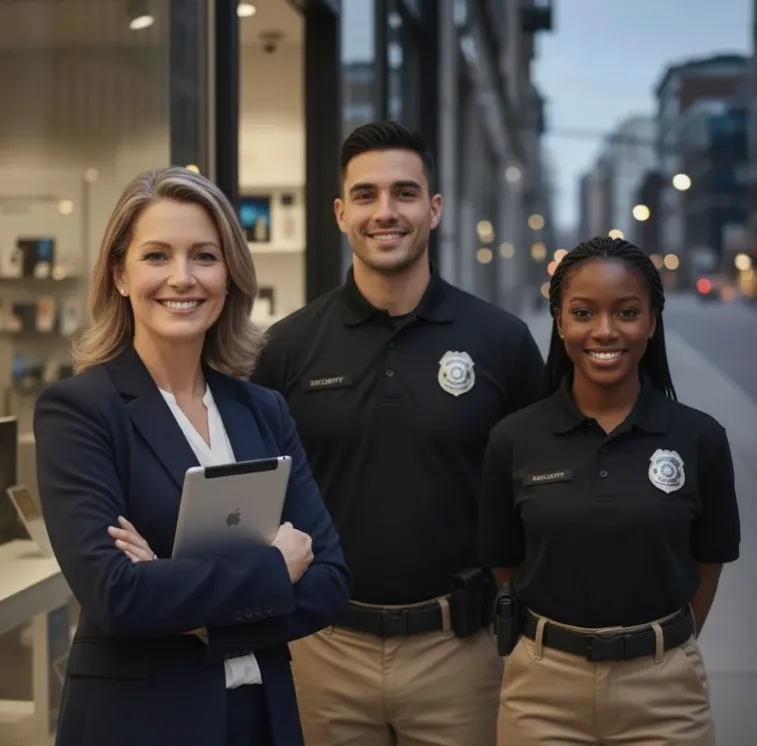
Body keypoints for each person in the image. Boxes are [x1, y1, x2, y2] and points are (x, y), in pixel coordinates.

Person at [250, 121, 545, 746]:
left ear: (434, 209)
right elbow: (258, 500)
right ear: (340, 213)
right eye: (365, 195)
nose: (385, 212)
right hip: (323, 650)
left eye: (405, 193)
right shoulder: (286, 349)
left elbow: (541, 494)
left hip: (461, 655)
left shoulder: (501, 342)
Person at [33, 167, 350, 746]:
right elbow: (116, 595)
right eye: (157, 256)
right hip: (139, 723)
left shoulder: (263, 410)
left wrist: (184, 600)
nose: (182, 278)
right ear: (119, 275)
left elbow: (328, 582)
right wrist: (273, 570)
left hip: (262, 720)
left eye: (204, 256)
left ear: (229, 275)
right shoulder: (80, 411)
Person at [478, 236, 741, 746]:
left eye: (626, 312)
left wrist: (659, 651)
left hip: (665, 693)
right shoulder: (514, 439)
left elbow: (708, 567)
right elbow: (505, 565)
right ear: (559, 321)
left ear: (651, 321)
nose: (604, 331)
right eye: (583, 312)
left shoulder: (700, 438)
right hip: (542, 693)